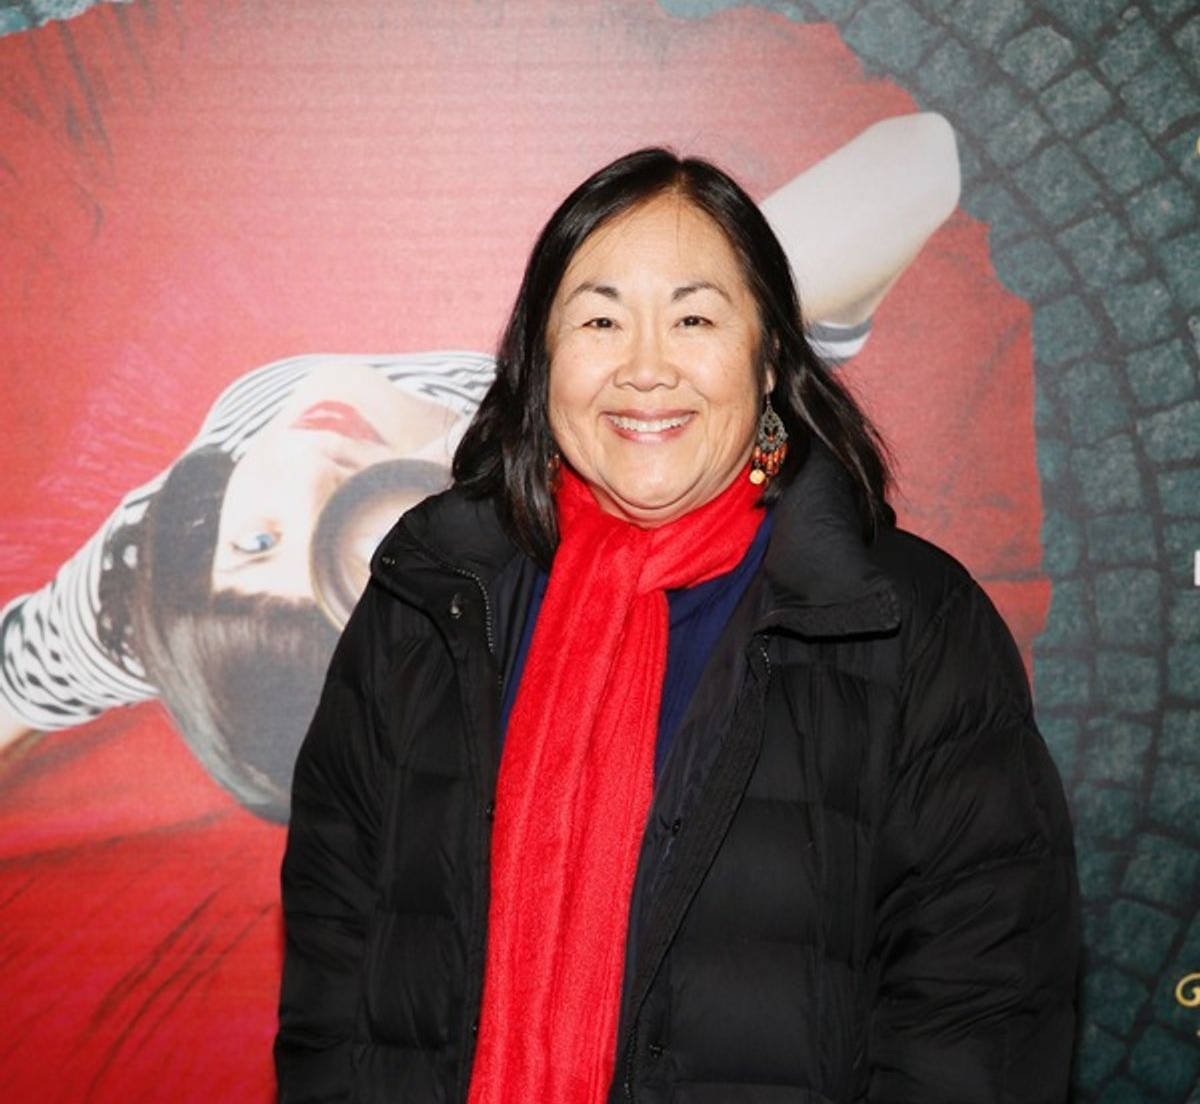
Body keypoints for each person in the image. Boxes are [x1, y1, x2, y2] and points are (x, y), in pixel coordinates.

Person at [274, 147, 1079, 1104]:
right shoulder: (432, 603)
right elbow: (340, 926)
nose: (645, 365)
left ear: (771, 358)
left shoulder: (901, 628)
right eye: (600, 317)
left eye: (695, 317)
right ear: (539, 357)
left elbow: (992, 998)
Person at [0, 115, 960, 820]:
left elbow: (12, 687)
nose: (309, 475)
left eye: (256, 540)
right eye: (365, 566)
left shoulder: (145, 573)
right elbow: (920, 164)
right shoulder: (613, 467)